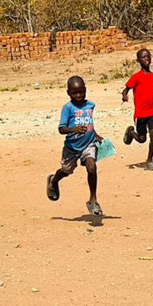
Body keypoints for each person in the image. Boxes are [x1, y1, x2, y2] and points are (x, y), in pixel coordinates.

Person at [46, 75, 105, 216]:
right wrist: (74, 129)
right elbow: (61, 129)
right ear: (68, 93)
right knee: (65, 171)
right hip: (72, 148)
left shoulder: (90, 105)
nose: (78, 95)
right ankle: (53, 180)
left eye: (81, 92)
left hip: (88, 145)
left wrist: (95, 135)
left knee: (92, 167)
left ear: (86, 90)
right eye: (74, 93)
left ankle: (93, 199)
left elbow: (89, 122)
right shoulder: (68, 108)